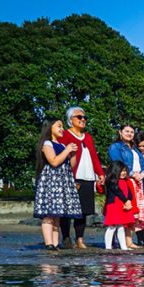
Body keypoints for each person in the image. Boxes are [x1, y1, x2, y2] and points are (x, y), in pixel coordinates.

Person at [33, 117, 83, 250]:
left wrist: (73, 153)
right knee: (48, 214)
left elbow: (71, 165)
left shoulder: (61, 145)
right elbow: (54, 161)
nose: (62, 129)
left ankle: (55, 244)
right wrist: (67, 150)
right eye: (59, 126)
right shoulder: (47, 144)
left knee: (57, 216)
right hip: (51, 182)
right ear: (50, 128)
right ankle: (49, 243)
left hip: (61, 182)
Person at [58, 107, 105, 249]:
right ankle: (66, 238)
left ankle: (80, 239)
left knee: (83, 211)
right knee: (67, 210)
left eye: (85, 117)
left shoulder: (88, 137)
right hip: (72, 177)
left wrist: (100, 173)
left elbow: (94, 157)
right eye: (79, 117)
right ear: (70, 119)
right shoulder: (65, 135)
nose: (83, 119)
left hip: (87, 177)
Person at [108, 124, 144, 249]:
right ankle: (122, 241)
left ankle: (129, 240)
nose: (129, 134)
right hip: (125, 180)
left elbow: (143, 163)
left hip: (137, 181)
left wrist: (143, 174)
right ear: (120, 132)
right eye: (126, 131)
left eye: (132, 132)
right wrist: (131, 173)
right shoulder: (116, 147)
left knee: (132, 212)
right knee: (125, 209)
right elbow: (117, 164)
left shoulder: (135, 148)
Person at [103, 161, 137, 250]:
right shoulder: (111, 181)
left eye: (125, 171)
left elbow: (129, 193)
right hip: (114, 205)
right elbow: (117, 191)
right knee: (112, 226)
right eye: (121, 171)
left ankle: (123, 246)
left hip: (122, 205)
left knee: (121, 226)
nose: (123, 173)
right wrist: (126, 201)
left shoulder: (125, 181)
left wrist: (128, 200)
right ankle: (108, 247)